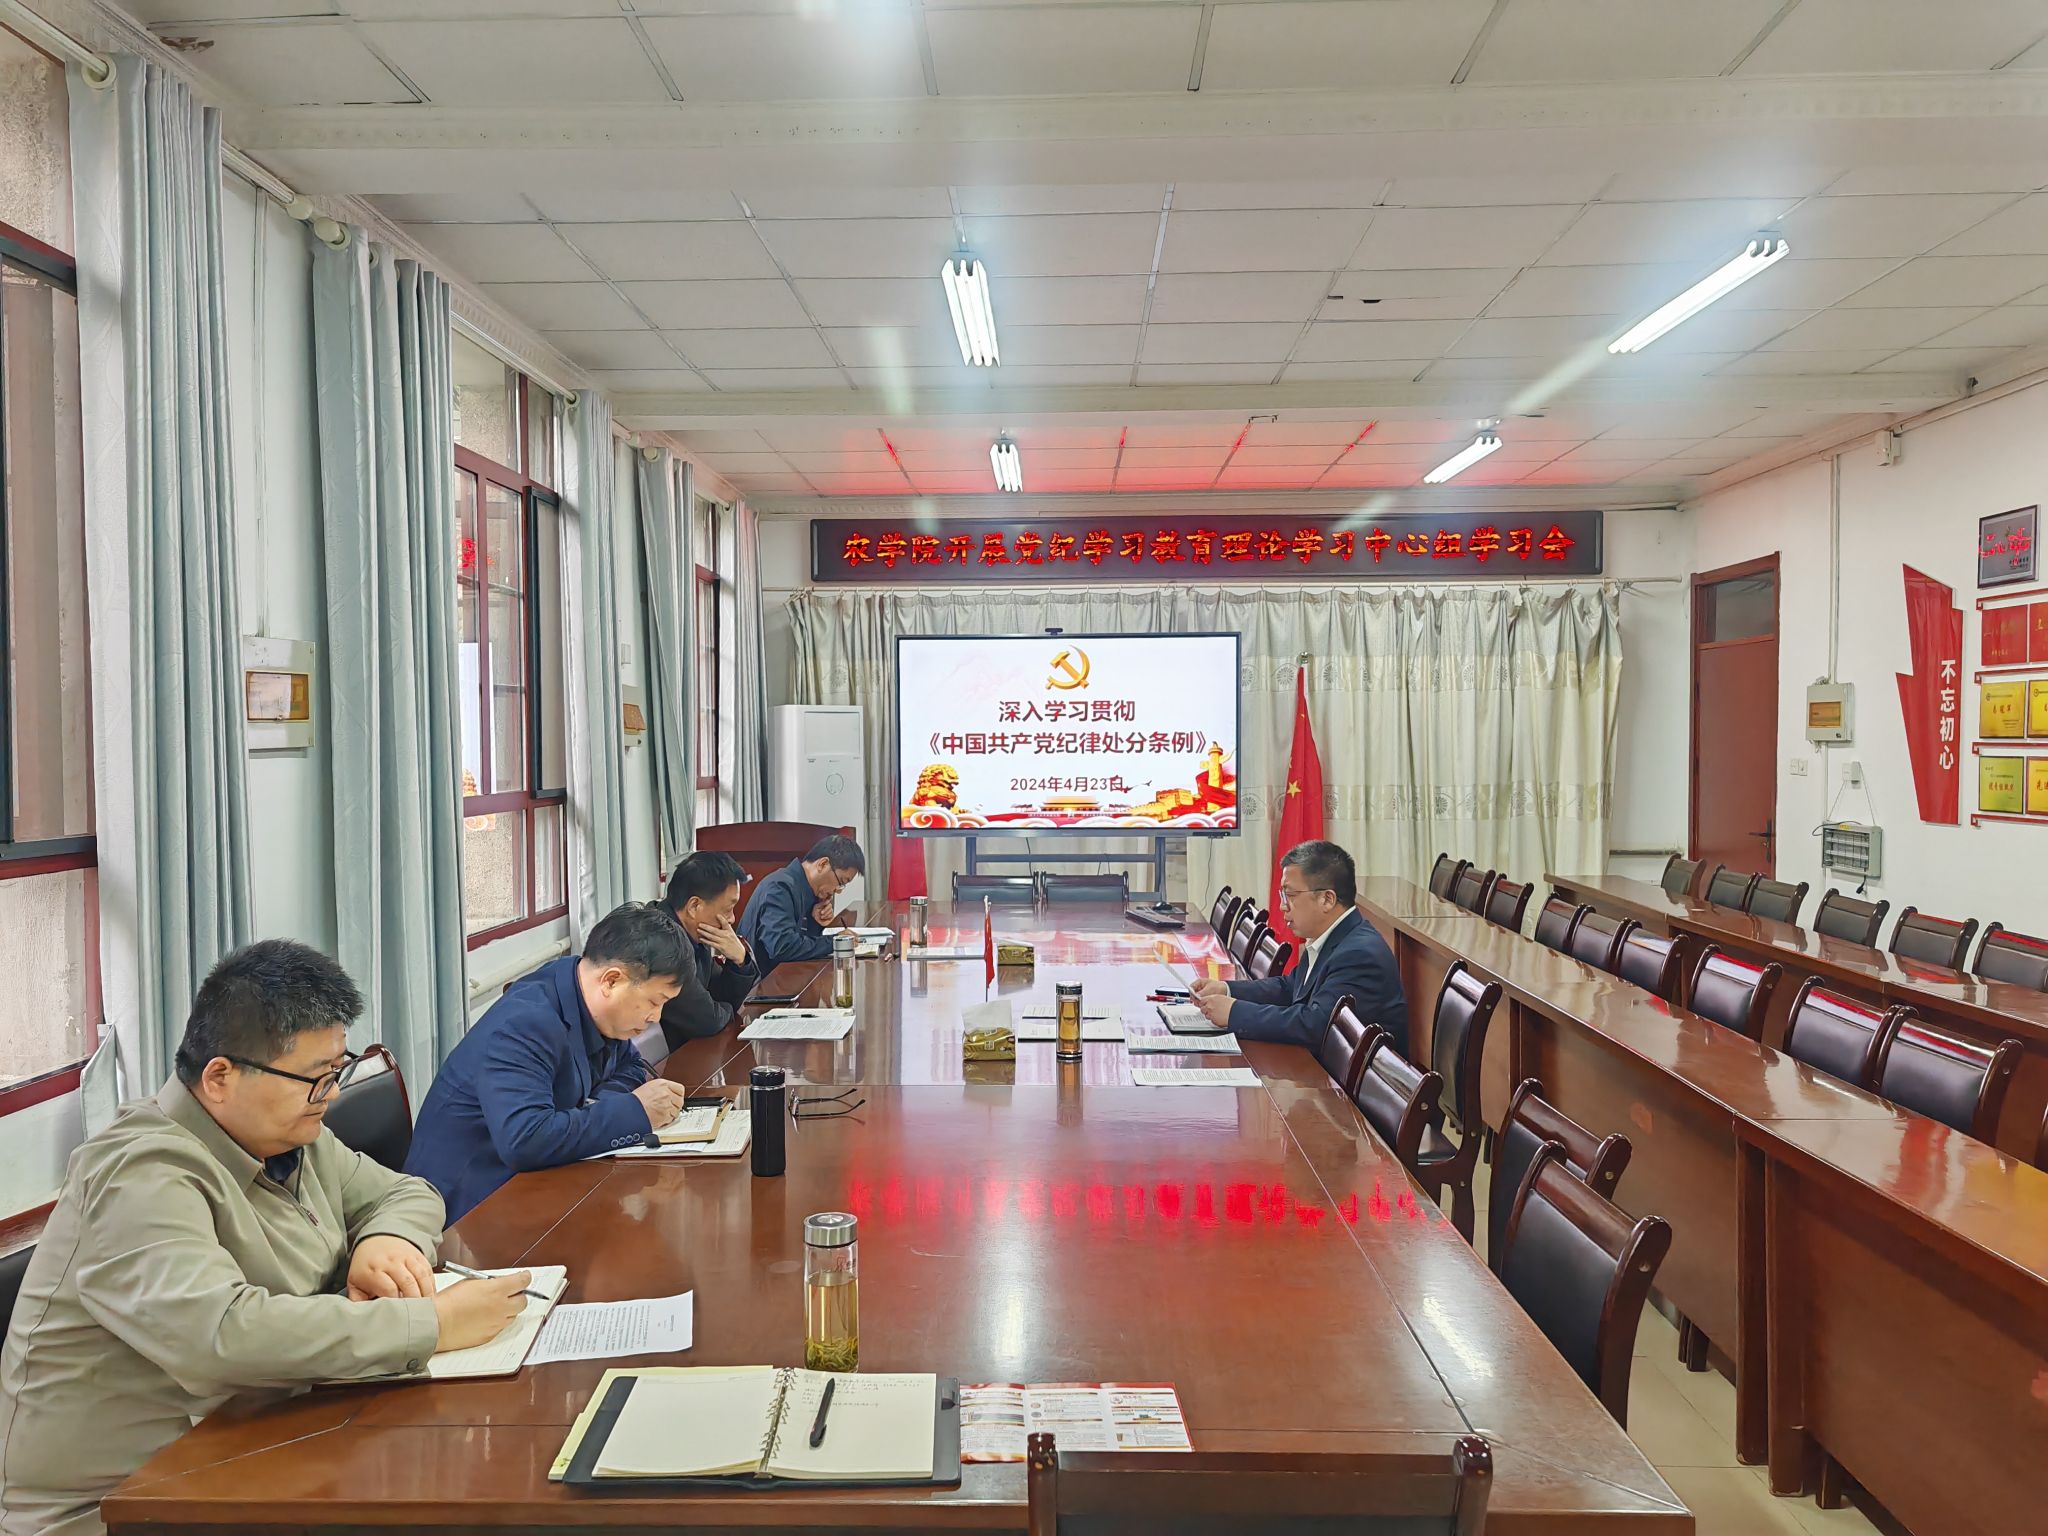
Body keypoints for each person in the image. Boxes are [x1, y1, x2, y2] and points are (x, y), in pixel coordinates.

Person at [0, 940, 531, 1536]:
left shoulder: (292, 1136)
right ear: (220, 1076)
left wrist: (388, 1242)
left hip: (258, 1440)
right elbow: (222, 1334)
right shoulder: (140, 1173)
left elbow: (408, 1194)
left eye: (337, 1071)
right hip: (122, 1505)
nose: (331, 1094)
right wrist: (431, 1325)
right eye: (315, 1078)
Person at [404, 902, 691, 1223]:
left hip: (534, 1184)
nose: (656, 1017)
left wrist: (598, 1107)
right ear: (612, 981)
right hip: (468, 1208)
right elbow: (525, 1139)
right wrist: (634, 1111)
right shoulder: (525, 1023)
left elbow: (631, 1067)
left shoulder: (588, 997)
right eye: (654, 1001)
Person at [1192, 840, 1408, 1056]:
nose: (1282, 906)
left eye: (1291, 896)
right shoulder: (1332, 936)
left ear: (1327, 899)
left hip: (1334, 1076)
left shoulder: (1359, 955)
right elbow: (1289, 988)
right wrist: (1226, 989)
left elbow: (1315, 1025)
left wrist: (1235, 1013)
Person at [657, 850, 759, 1048]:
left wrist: (740, 960)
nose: (732, 919)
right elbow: (707, 1021)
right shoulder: (663, 943)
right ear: (694, 906)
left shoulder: (697, 935)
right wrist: (722, 1011)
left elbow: (721, 997)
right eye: (728, 910)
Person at [737, 834, 866, 970]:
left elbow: (801, 946)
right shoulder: (779, 888)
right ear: (823, 864)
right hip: (762, 979)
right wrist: (835, 942)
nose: (838, 891)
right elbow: (781, 947)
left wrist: (816, 923)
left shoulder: (808, 890)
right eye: (841, 882)